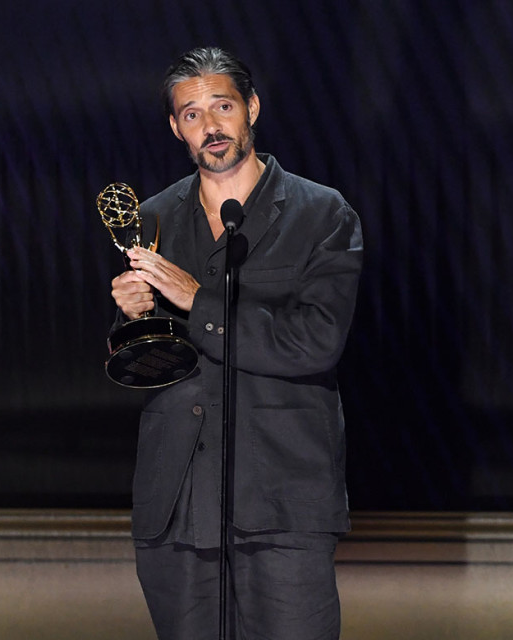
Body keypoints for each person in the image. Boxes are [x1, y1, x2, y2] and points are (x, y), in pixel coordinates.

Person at [110, 46, 363, 640]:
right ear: (175, 128)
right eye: (192, 114)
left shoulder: (321, 213)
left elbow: (315, 342)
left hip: (282, 499)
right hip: (178, 502)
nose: (210, 125)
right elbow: (143, 362)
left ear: (251, 107)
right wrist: (130, 317)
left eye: (222, 106)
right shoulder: (152, 218)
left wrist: (197, 300)